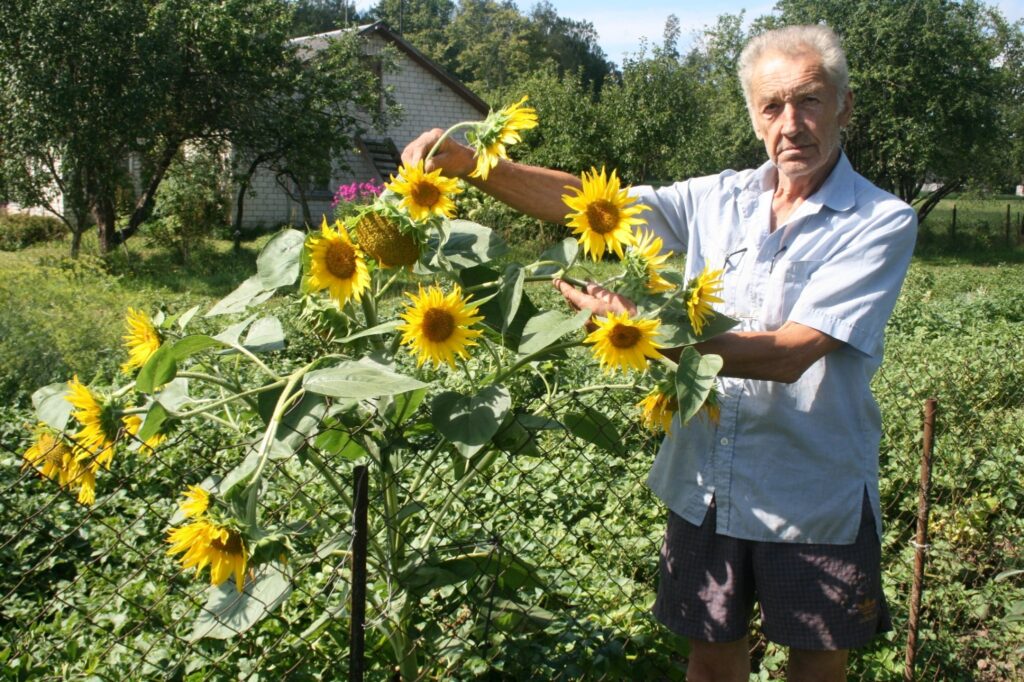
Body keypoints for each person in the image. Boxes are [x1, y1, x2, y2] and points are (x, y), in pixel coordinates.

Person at [402, 24, 917, 682]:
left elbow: (790, 354)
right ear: (754, 116)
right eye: (771, 105)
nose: (791, 123)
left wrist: (644, 330)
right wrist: (472, 165)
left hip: (810, 486)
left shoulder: (880, 221)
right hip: (707, 480)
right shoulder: (717, 199)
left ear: (844, 105)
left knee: (816, 664)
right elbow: (593, 206)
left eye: (809, 100)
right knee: (710, 659)